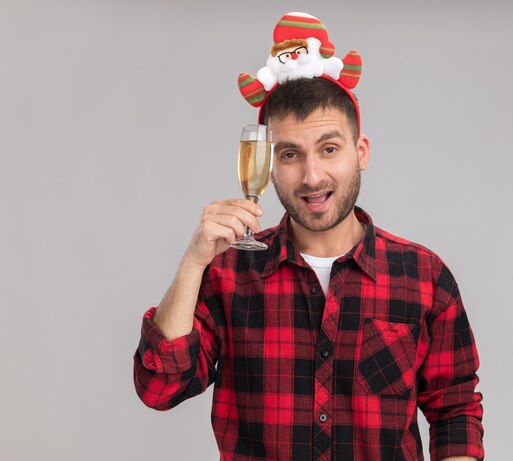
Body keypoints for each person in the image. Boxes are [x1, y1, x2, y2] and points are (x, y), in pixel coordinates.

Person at [134, 12, 484, 461]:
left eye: (329, 149)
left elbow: (455, 409)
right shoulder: (228, 273)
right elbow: (160, 387)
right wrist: (192, 262)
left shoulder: (423, 276)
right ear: (268, 163)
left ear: (361, 153)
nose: (312, 175)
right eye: (290, 154)